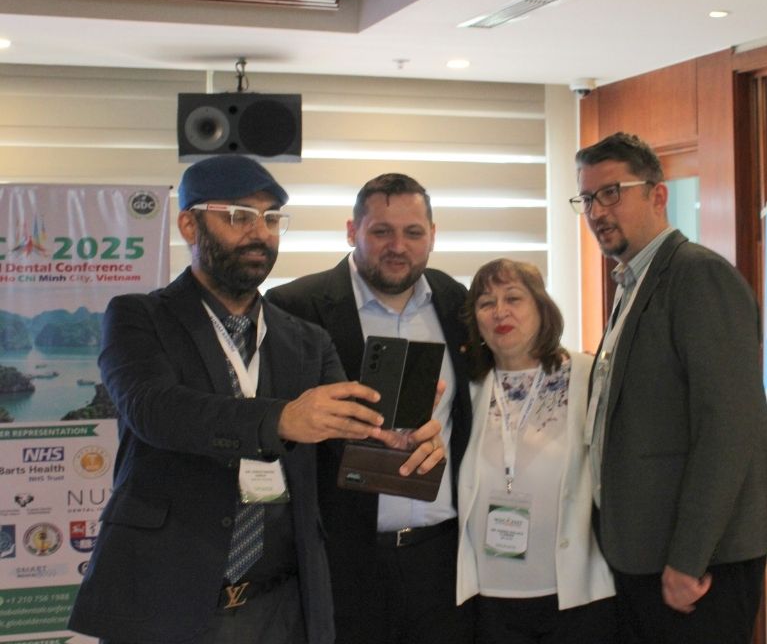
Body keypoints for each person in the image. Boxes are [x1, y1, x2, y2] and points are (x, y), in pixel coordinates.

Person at [68, 156, 443, 644]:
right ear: (189, 225)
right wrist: (282, 419)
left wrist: (398, 446)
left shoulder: (306, 340)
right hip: (166, 599)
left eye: (270, 219)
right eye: (238, 216)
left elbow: (346, 443)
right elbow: (155, 410)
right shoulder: (139, 317)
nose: (259, 233)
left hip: (281, 606)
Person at [572, 132, 767, 643]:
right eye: (586, 198)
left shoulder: (698, 276)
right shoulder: (632, 282)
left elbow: (728, 430)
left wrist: (689, 558)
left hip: (698, 566)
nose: (597, 211)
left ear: (658, 194)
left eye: (611, 193)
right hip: (643, 553)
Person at [267, 172, 474, 643]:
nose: (397, 246)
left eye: (413, 232)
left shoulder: (456, 302)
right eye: (381, 231)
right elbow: (274, 428)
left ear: (432, 235)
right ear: (351, 231)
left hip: (443, 560)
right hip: (342, 562)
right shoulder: (293, 306)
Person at [455, 259, 616, 643]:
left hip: (575, 599)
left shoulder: (587, 376)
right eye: (486, 303)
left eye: (513, 298)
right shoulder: (468, 389)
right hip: (488, 602)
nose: (500, 312)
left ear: (542, 308)